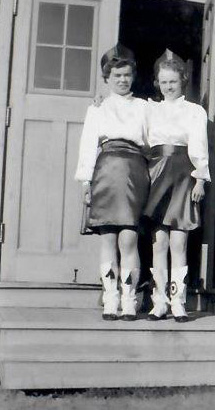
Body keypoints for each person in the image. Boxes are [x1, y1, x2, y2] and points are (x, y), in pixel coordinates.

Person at [75, 44, 149, 321]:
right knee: (108, 239)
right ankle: (110, 298)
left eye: (127, 75)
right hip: (105, 172)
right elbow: (87, 146)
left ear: (133, 76)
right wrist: (85, 182)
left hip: (134, 173)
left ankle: (129, 299)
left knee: (129, 238)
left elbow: (155, 139)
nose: (122, 80)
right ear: (107, 78)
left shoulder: (144, 107)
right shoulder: (97, 108)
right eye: (116, 75)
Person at [144, 49, 210, 322]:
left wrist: (200, 178)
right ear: (157, 83)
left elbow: (198, 146)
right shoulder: (150, 109)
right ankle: (158, 302)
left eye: (173, 81)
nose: (168, 86)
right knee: (158, 242)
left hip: (184, 174)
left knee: (178, 240)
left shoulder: (194, 111)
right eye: (163, 81)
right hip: (156, 173)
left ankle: (178, 302)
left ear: (182, 80)